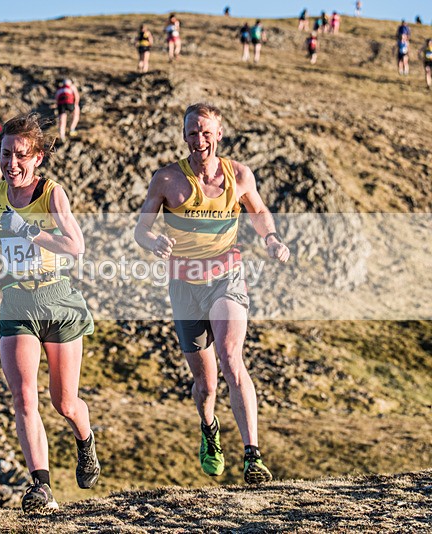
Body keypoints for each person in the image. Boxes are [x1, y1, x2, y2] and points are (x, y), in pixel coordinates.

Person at [134, 103, 290, 485]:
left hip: (226, 276)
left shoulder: (239, 174)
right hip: (185, 286)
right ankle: (209, 427)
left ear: (219, 134)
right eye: (192, 132)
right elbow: (140, 229)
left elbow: (258, 211)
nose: (199, 139)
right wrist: (154, 241)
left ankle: (252, 456)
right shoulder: (168, 180)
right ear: (184, 136)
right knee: (205, 384)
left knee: (230, 356)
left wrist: (270, 238)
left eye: (206, 132)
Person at [0, 113, 99, 512]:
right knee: (24, 397)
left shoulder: (51, 194)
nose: (11, 164)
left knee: (65, 403)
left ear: (38, 157)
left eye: (20, 156)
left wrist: (29, 230)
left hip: (57, 300)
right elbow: (2, 230)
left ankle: (85, 440)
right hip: (16, 302)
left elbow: (75, 246)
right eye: (6, 154)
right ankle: (41, 487)